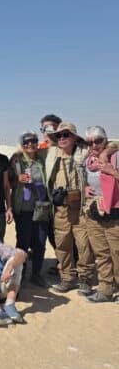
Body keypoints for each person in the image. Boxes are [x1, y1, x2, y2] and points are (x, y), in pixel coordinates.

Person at [45, 122, 95, 294]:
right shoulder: (52, 153)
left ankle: (85, 278)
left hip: (80, 208)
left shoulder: (84, 151)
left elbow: (110, 146)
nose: (62, 138)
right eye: (59, 135)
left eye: (66, 135)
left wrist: (86, 185)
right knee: (62, 245)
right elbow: (26, 150)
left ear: (74, 137)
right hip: (61, 209)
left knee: (84, 245)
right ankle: (67, 278)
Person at [82, 126, 119, 303]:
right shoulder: (89, 161)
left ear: (105, 140)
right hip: (94, 212)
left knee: (117, 252)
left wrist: (113, 172)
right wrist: (85, 188)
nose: (94, 145)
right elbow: (85, 180)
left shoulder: (115, 156)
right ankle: (105, 289)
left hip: (115, 212)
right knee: (102, 253)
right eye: (90, 142)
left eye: (98, 141)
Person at [9, 132, 49, 288]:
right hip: (23, 207)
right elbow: (7, 181)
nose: (30, 144)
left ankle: (36, 274)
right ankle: (21, 272)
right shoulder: (16, 160)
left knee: (40, 242)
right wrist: (17, 179)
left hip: (41, 206)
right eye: (26, 142)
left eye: (33, 141)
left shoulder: (42, 158)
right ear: (22, 145)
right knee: (23, 242)